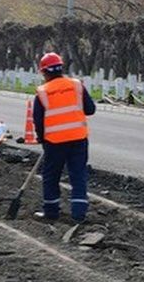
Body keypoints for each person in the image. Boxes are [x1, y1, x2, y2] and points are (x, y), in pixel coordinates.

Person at [32, 52, 96, 223]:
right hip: (78, 140)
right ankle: (79, 214)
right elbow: (90, 109)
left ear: (44, 72)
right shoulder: (76, 86)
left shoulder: (42, 92)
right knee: (78, 175)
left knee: (51, 177)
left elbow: (38, 121)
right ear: (61, 68)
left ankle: (51, 213)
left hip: (54, 143)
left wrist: (42, 139)